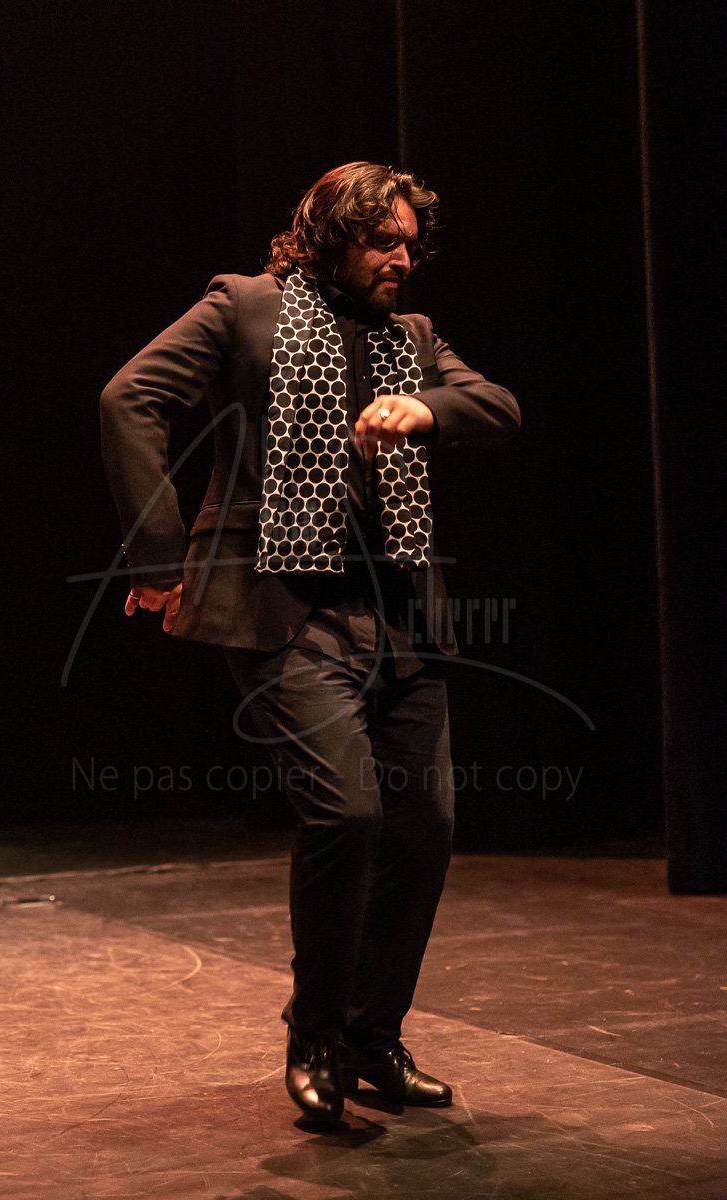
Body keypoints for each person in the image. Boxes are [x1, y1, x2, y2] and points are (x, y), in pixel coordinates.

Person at [101, 161, 519, 1125]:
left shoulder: (413, 339)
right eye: (382, 240)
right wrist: (157, 557)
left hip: (400, 616)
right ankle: (318, 1035)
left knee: (426, 826)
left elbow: (499, 407)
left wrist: (427, 408)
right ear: (331, 236)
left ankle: (374, 1035)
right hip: (286, 607)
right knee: (346, 812)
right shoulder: (245, 307)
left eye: (411, 243)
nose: (402, 259)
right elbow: (130, 398)